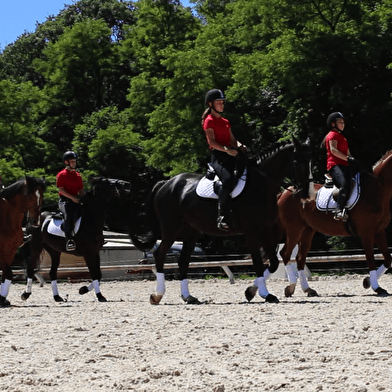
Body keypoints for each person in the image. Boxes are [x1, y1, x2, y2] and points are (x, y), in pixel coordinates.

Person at [202, 89, 247, 230]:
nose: (222, 105)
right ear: (211, 104)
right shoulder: (209, 121)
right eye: (219, 102)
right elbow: (212, 143)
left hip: (232, 154)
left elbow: (232, 140)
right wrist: (227, 150)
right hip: (219, 158)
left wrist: (240, 145)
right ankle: (222, 215)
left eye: (222, 102)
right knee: (227, 179)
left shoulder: (225, 121)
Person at [323, 112, 359, 222]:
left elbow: (348, 153)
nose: (343, 124)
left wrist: (352, 160)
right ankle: (338, 210)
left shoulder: (343, 138)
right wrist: (348, 158)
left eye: (343, 122)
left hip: (345, 165)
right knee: (344, 183)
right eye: (340, 122)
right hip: (334, 166)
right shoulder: (332, 135)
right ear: (333, 124)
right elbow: (333, 150)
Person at [56, 151, 85, 251]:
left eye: (75, 161)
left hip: (76, 199)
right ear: (66, 162)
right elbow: (61, 190)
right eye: (72, 161)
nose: (74, 163)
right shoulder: (61, 175)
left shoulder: (78, 176)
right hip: (65, 201)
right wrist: (72, 198)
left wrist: (85, 198)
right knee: (69, 215)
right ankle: (69, 240)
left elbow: (81, 190)